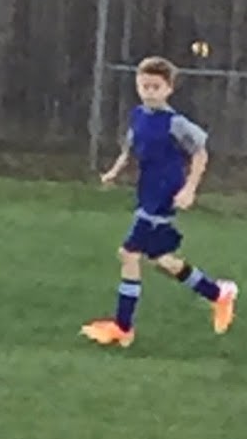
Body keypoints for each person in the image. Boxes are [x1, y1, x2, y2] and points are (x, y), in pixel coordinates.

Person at [80, 55, 237, 349]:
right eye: (145, 86)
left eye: (156, 87)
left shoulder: (175, 123)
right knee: (162, 261)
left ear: (169, 89)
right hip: (147, 191)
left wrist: (190, 189)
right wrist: (114, 172)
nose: (150, 92)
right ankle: (218, 294)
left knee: (128, 253)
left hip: (165, 193)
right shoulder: (139, 116)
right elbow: (130, 149)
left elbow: (200, 153)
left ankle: (123, 327)